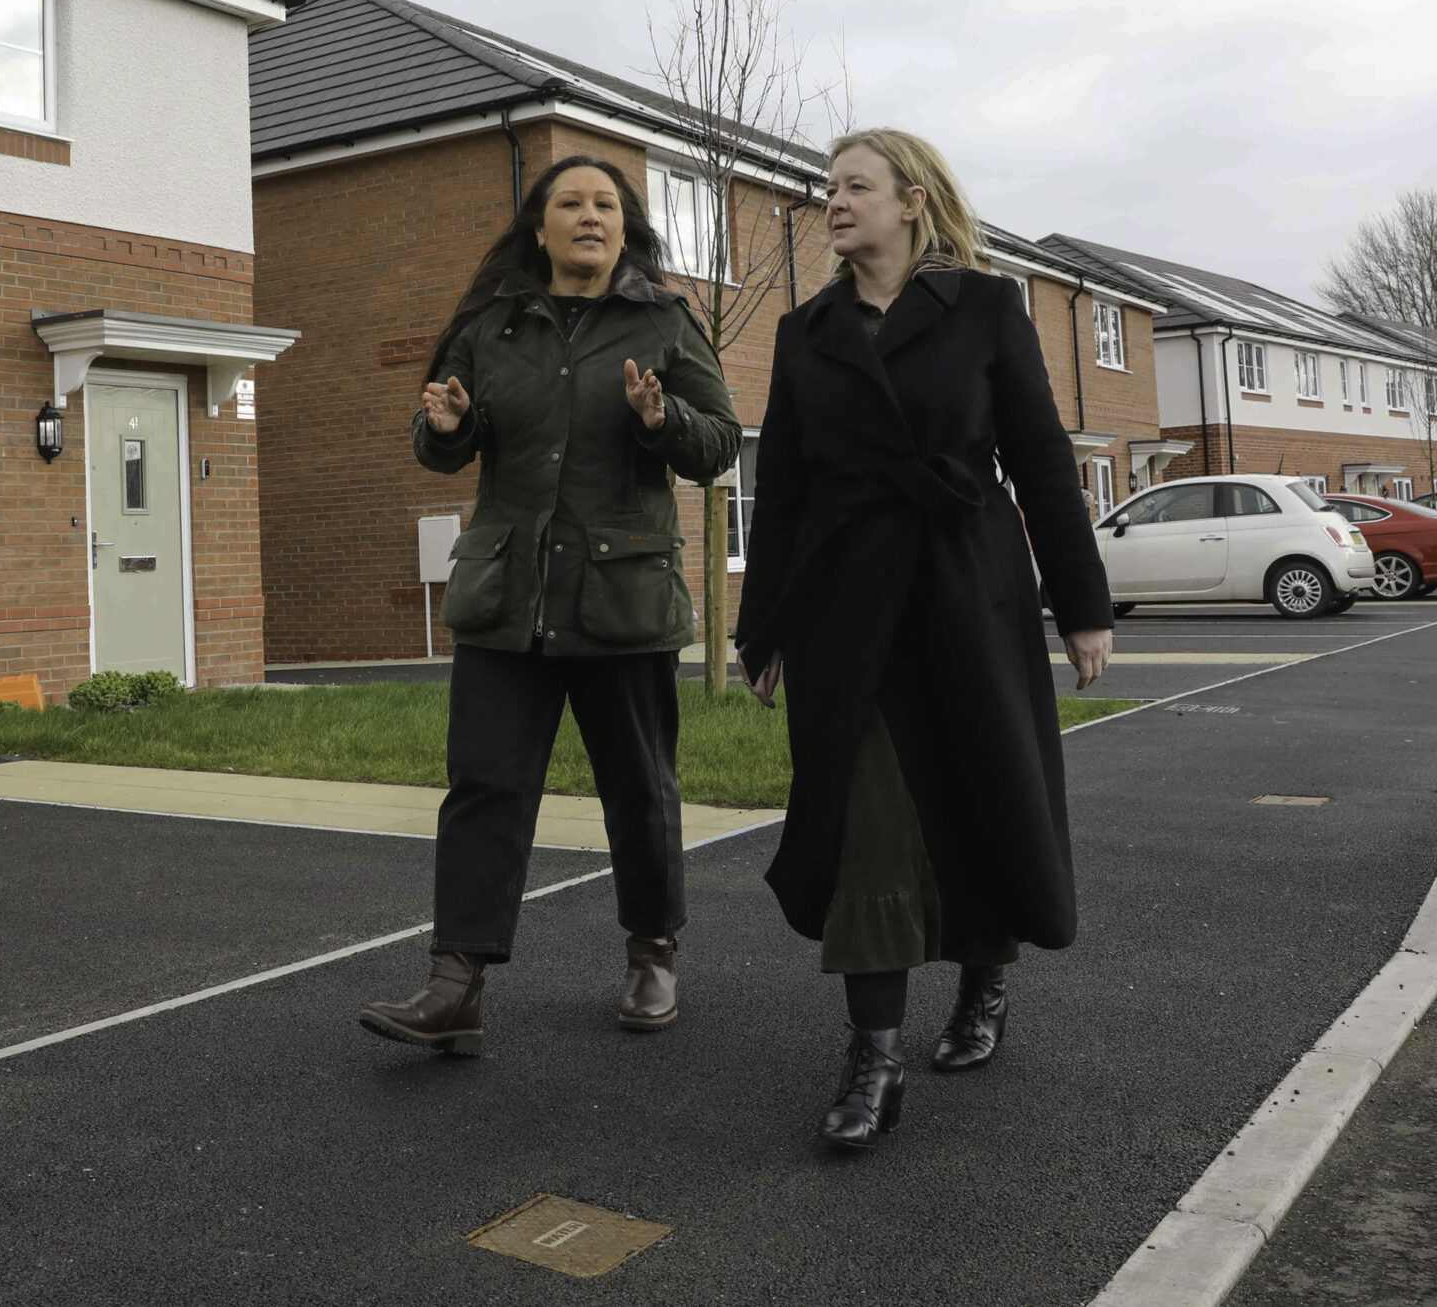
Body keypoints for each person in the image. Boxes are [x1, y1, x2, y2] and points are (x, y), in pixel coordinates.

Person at [734, 129, 1113, 1150]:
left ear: (911, 201)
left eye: (855, 185)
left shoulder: (986, 307)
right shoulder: (805, 331)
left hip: (965, 584)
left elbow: (1042, 461)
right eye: (828, 187)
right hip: (845, 603)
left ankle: (986, 979)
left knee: (982, 785)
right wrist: (760, 628)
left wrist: (1081, 607)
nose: (833, 201)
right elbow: (783, 494)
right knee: (866, 816)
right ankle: (874, 1055)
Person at [358, 155, 741, 1055]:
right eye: (570, 202)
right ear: (541, 226)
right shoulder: (492, 325)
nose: (589, 215)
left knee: (639, 791)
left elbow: (720, 442)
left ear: (625, 226)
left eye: (606, 203)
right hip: (508, 602)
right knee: (483, 789)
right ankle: (455, 982)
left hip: (622, 600)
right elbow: (438, 438)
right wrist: (446, 426)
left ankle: (653, 953)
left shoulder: (664, 321)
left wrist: (661, 421)